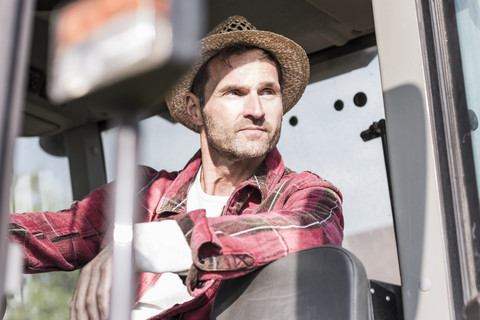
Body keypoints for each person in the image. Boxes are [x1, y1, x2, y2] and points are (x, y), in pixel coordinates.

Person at [8, 15, 344, 320]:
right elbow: (48, 235)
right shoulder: (143, 193)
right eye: (235, 93)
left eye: (268, 92)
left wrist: (148, 244)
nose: (256, 109)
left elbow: (307, 232)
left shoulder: (305, 195)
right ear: (195, 110)